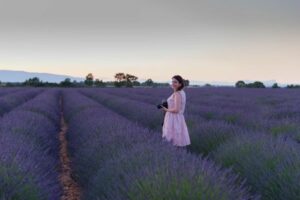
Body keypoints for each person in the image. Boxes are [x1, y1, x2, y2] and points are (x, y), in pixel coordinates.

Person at [161, 75, 191, 147]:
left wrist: (166, 109)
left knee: (171, 139)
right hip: (178, 118)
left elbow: (176, 109)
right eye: (172, 82)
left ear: (180, 84)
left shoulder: (177, 94)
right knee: (177, 137)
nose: (173, 83)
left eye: (175, 82)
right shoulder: (182, 92)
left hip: (173, 118)